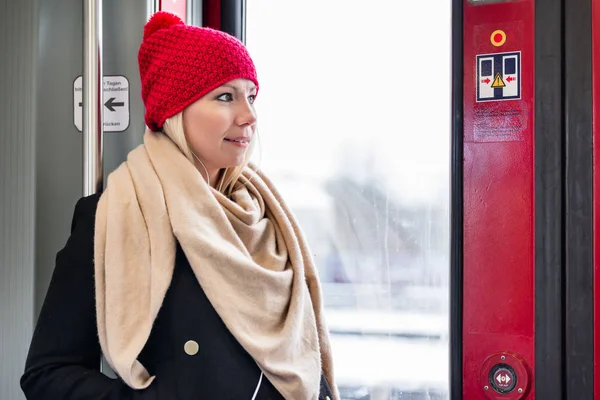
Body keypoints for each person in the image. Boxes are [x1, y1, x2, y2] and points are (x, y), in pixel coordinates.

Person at [20, 11, 338, 400]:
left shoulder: (264, 214)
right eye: (226, 97)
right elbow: (47, 374)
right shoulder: (118, 211)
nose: (249, 115)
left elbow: (303, 360)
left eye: (251, 96)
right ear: (175, 111)